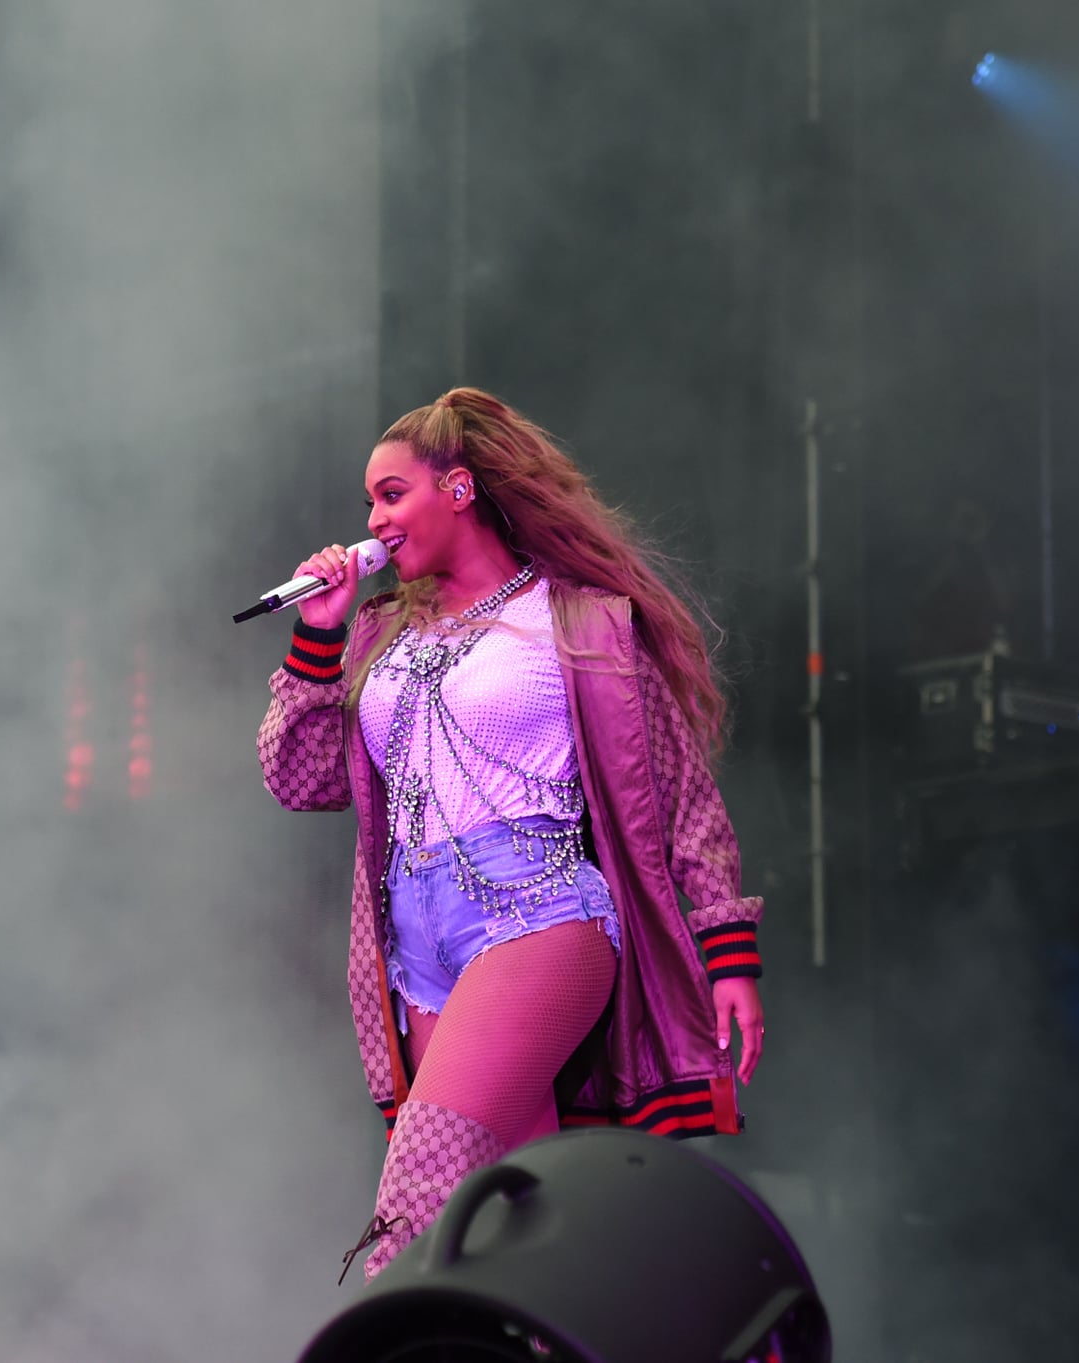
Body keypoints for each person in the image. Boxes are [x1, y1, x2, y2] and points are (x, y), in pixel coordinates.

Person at [257, 388, 767, 1282]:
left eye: (389, 495)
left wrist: (728, 948)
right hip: (416, 946)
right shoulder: (380, 631)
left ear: (458, 490)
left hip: (537, 909)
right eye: (369, 503)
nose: (371, 521)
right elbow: (301, 781)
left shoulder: (579, 621)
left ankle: (383, 1340)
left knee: (417, 1194)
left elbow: (677, 785)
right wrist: (317, 636)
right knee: (503, 1236)